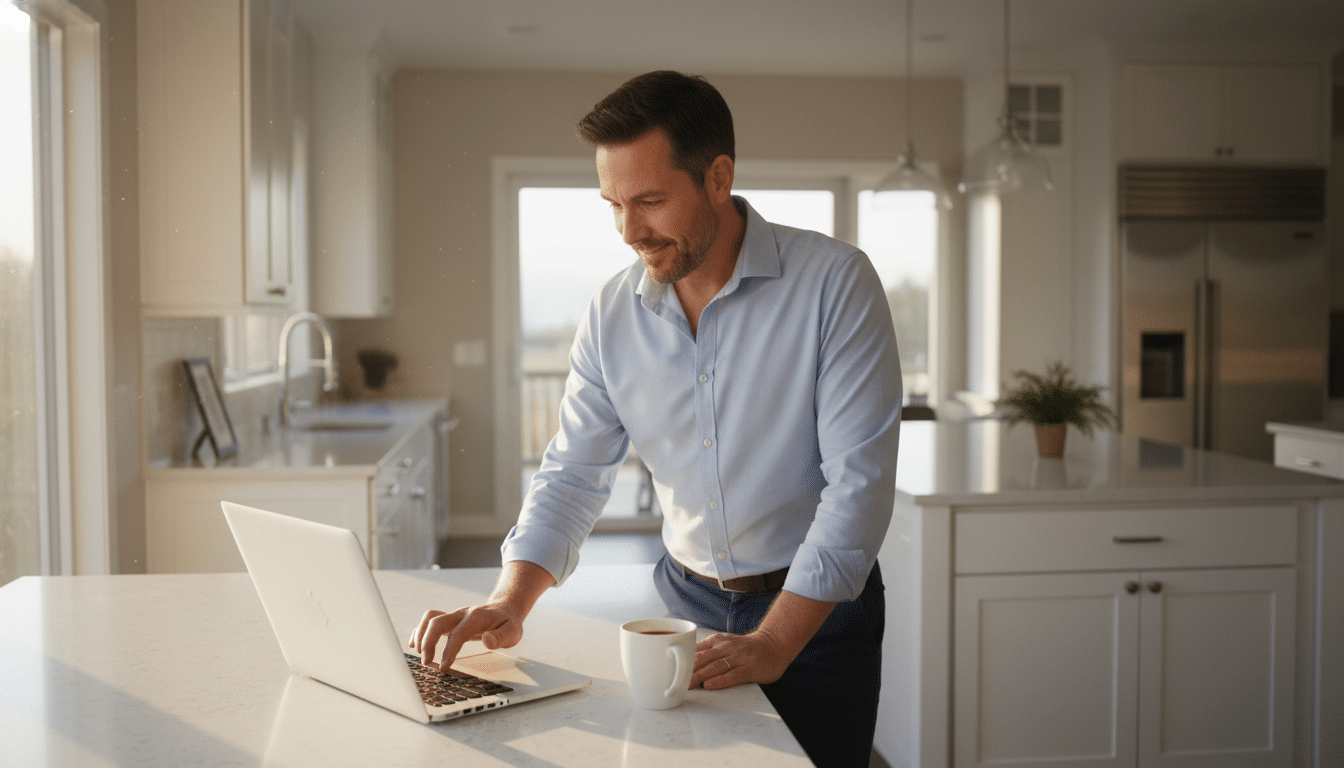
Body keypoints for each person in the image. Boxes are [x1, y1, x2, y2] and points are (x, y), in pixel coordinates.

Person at [411, 70, 902, 768]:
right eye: (612, 203)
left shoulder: (835, 284)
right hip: (683, 605)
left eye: (648, 200)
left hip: (815, 619)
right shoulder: (612, 316)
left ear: (718, 177)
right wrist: (511, 599)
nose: (629, 230)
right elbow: (574, 473)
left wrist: (773, 641)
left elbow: (860, 487)